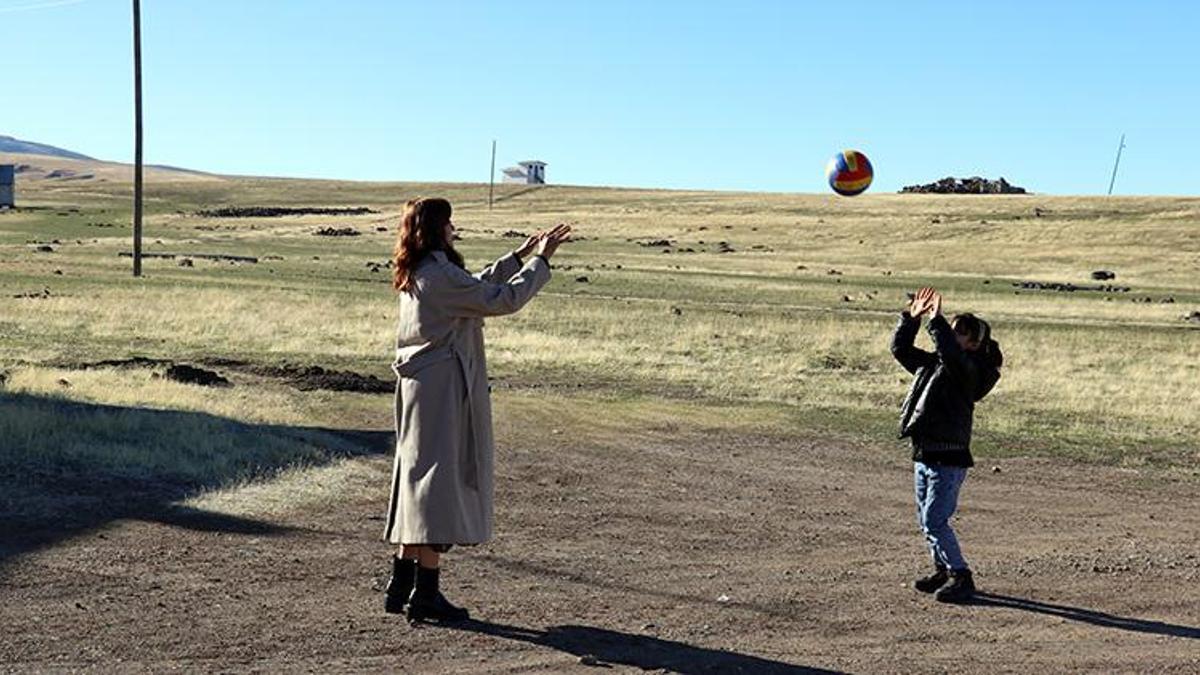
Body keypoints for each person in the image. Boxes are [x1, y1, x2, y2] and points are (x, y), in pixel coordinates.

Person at [381, 197, 571, 622]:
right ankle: (425, 592)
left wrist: (516, 256)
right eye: (448, 224)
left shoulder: (420, 271)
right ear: (436, 229)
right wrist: (540, 263)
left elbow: (473, 287)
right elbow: (500, 300)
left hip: (421, 388)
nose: (454, 230)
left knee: (417, 478)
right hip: (443, 389)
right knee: (439, 483)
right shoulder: (440, 275)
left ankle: (401, 581)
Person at [890, 287, 1002, 603]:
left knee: (934, 520)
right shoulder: (935, 365)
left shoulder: (968, 372)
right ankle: (942, 569)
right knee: (926, 518)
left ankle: (961, 575)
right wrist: (911, 319)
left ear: (974, 344)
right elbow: (900, 348)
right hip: (926, 454)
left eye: (960, 334)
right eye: (952, 331)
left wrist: (936, 321)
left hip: (948, 460)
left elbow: (952, 356)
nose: (953, 337)